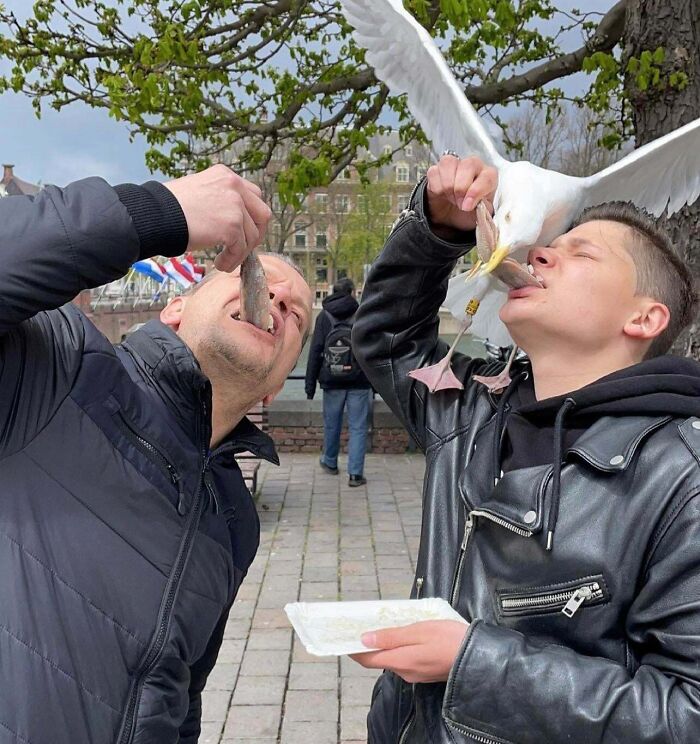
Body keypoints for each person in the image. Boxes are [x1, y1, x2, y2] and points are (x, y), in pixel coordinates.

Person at [351, 154, 700, 743]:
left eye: (580, 253)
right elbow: (385, 339)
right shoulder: (467, 411)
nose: (538, 252)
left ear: (645, 317)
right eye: (547, 246)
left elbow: (685, 714)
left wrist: (473, 662)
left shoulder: (680, 479)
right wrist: (437, 227)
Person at [0, 164, 312, 744]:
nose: (278, 300)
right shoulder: (59, 365)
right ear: (172, 310)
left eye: (296, 316)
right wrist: (152, 214)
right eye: (259, 277)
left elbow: (179, 687)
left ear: (276, 383)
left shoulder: (234, 519)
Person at [305, 276, 372, 486]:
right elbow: (371, 349)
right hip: (359, 381)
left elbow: (315, 351)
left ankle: (330, 462)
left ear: (334, 291)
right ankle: (355, 474)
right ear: (352, 292)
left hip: (331, 379)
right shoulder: (362, 313)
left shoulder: (324, 316)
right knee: (358, 427)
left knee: (331, 425)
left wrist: (310, 386)